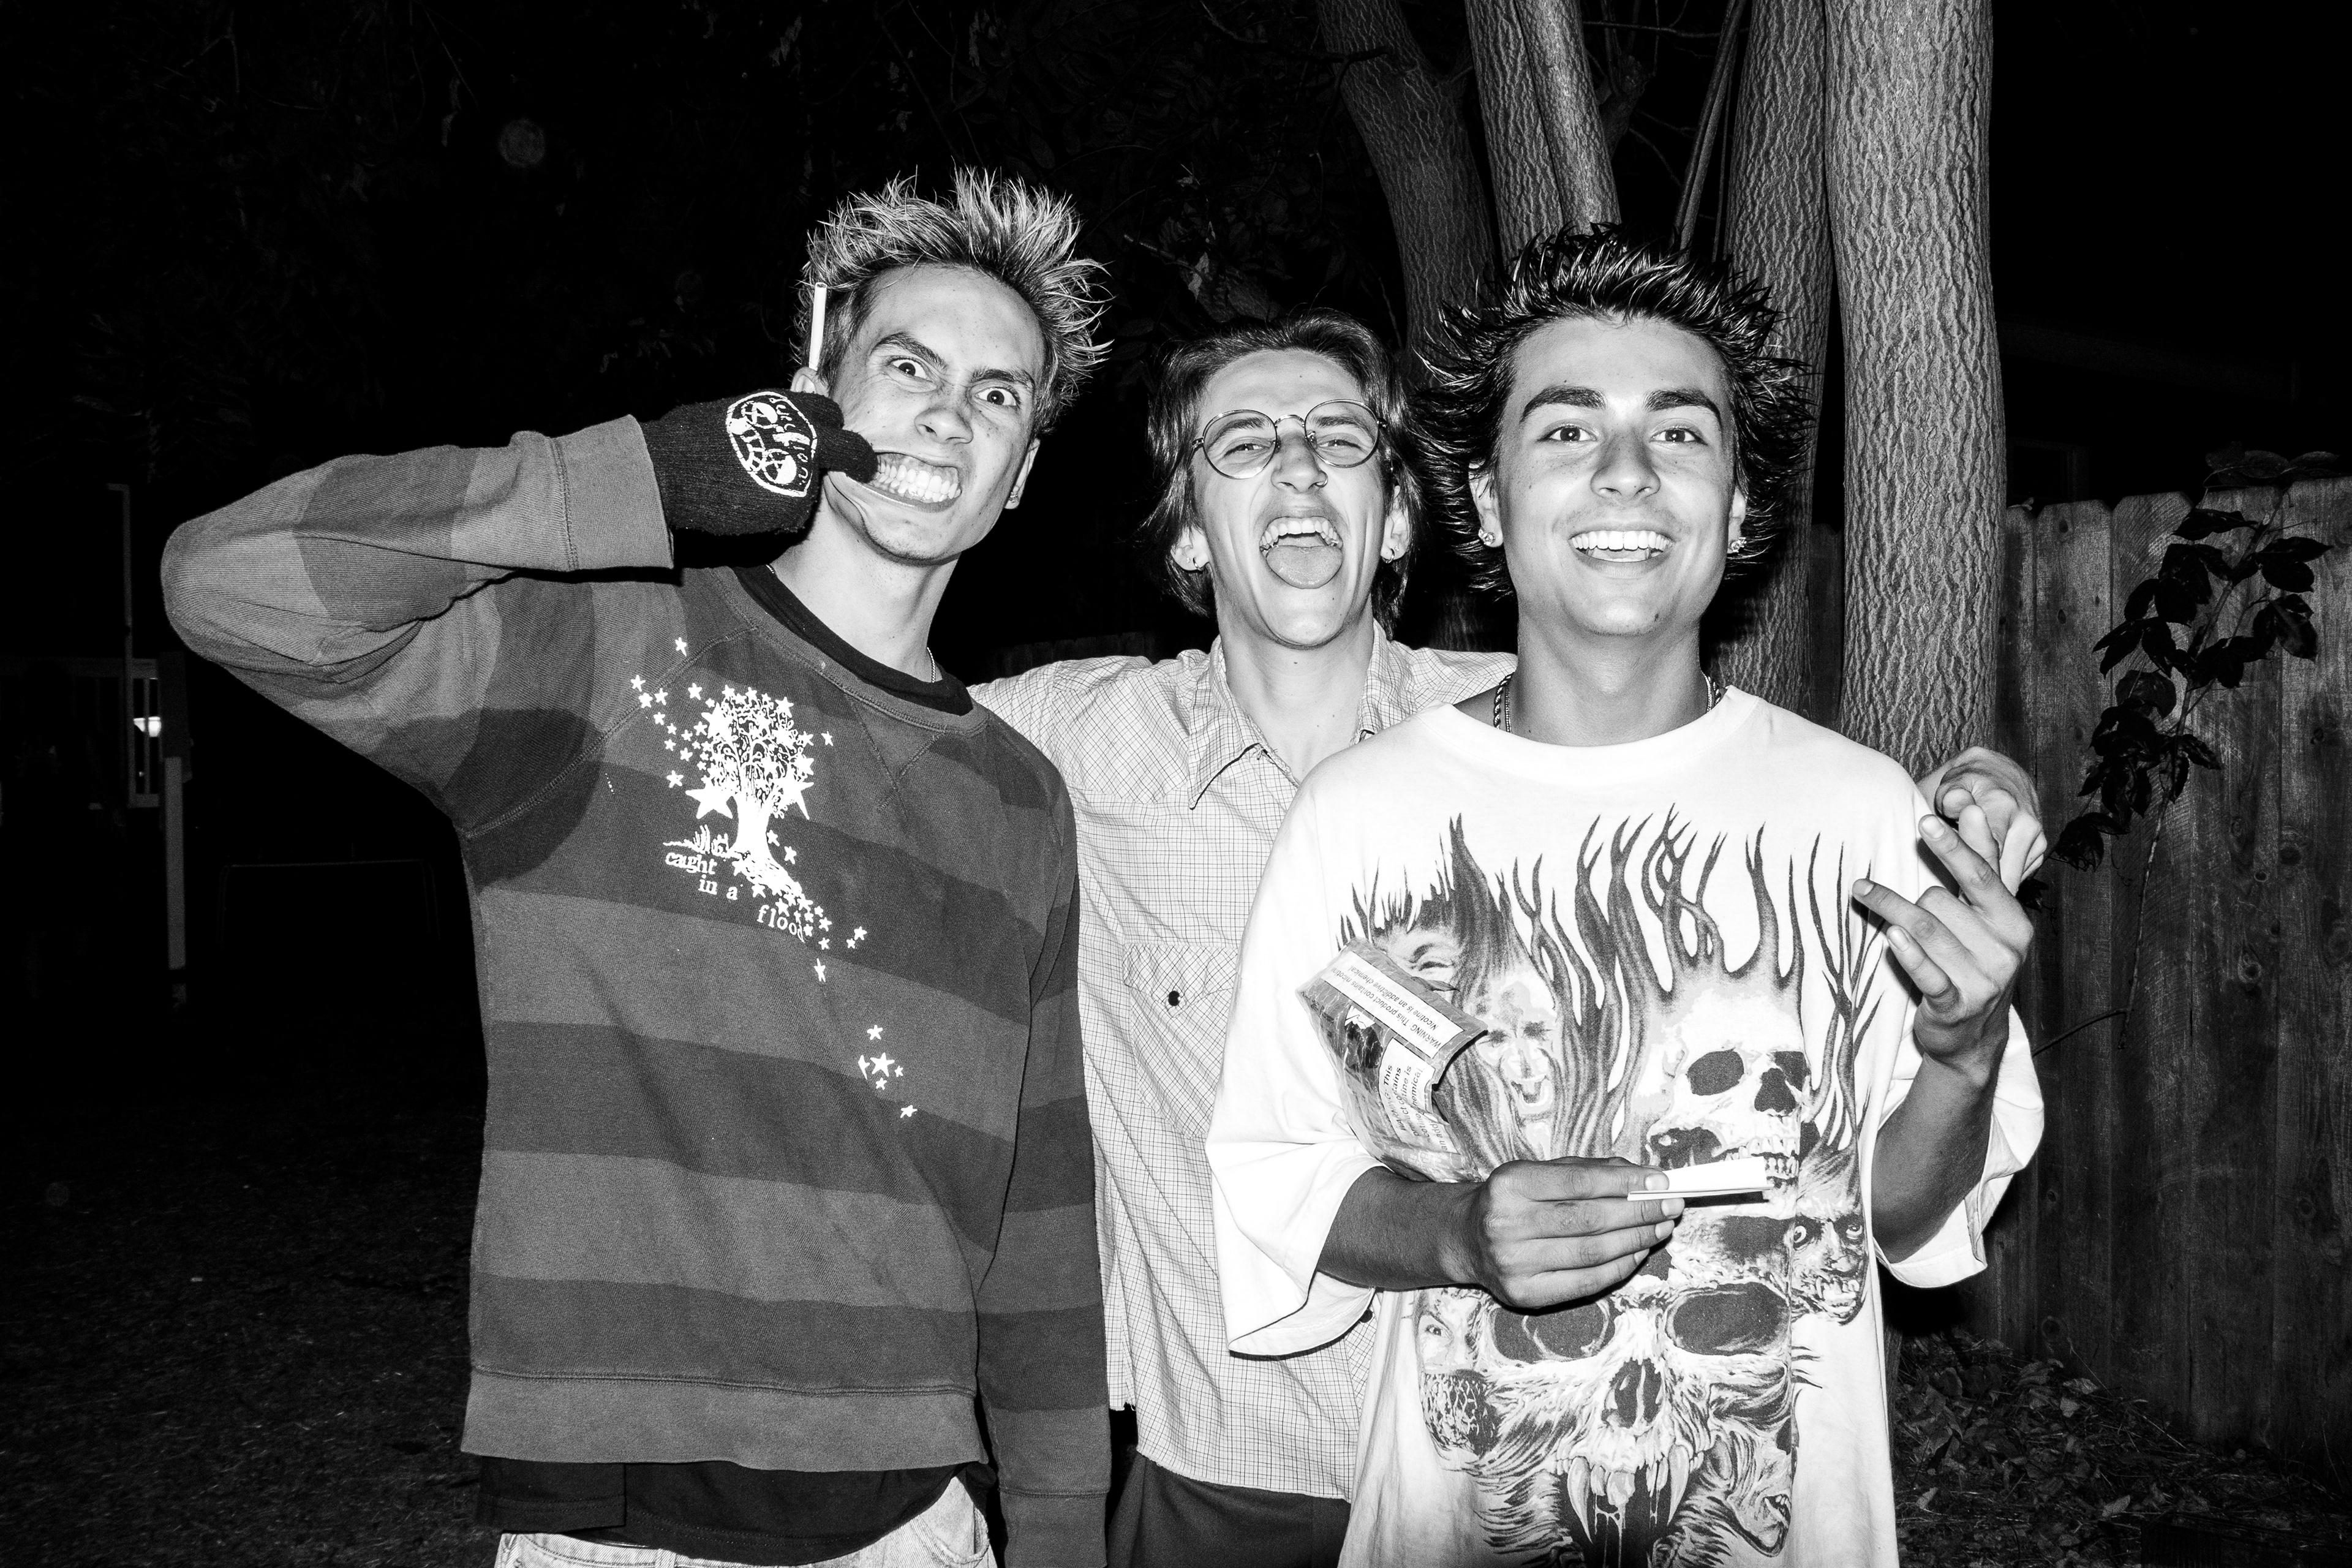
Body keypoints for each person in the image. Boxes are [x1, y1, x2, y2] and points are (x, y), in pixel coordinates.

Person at [971, 307, 2042, 1567]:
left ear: (1402, 516)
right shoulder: (1081, 746)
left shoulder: (1529, 729)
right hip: (1241, 1448)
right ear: (1189, 529)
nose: (1300, 466)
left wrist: (1960, 803)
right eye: (1246, 442)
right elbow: (859, 722)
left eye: (1339, 438)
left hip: (1566, 1459)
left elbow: (1722, 781)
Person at [164, 170, 1114, 1568]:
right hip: (612, 1519)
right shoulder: (603, 656)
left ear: (1022, 469)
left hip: (918, 1518)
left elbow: (1039, 1196)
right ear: (815, 388)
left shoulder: (1022, 799)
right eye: (908, 366)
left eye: (997, 395)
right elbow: (227, 582)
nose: (945, 417)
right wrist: (641, 481)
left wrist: (1061, 1516)